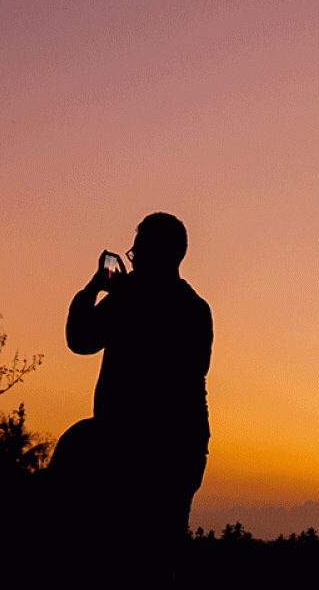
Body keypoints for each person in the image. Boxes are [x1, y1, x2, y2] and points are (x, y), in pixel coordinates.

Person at [62, 212, 213, 578]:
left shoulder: (128, 299)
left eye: (137, 250)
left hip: (124, 449)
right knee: (163, 549)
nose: (133, 257)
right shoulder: (197, 308)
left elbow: (79, 340)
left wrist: (95, 287)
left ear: (149, 252)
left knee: (113, 550)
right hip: (183, 449)